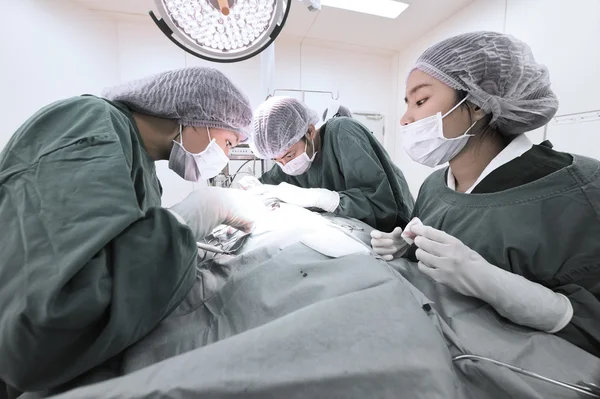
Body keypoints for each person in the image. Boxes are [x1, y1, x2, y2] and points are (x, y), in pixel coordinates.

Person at [0, 67, 266, 396]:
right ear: (199, 116)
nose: (225, 160)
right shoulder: (89, 122)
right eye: (229, 143)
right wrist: (184, 224)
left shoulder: (144, 172)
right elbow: (40, 331)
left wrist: (182, 243)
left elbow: (119, 259)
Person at [371, 31, 600, 357]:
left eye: (420, 101)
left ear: (477, 103)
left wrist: (491, 282)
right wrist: (407, 248)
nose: (406, 119)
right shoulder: (435, 186)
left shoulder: (581, 190)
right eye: (407, 104)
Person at [241, 96, 414, 232]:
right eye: (277, 161)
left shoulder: (343, 133)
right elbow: (267, 184)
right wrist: (251, 190)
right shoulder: (287, 163)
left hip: (394, 237)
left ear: (309, 131)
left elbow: (382, 208)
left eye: (289, 155)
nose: (286, 165)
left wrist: (323, 199)